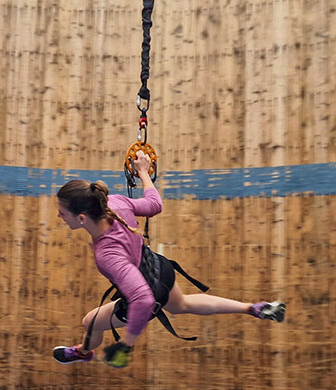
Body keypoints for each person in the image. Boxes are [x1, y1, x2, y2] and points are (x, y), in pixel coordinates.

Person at [53, 150, 286, 368]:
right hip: (159, 269)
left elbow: (143, 299)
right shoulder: (115, 202)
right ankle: (252, 308)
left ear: (82, 218)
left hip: (150, 291)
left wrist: (126, 344)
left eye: (62, 213)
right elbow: (154, 205)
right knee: (181, 304)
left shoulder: (107, 254)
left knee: (89, 322)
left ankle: (84, 352)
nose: (59, 215)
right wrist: (143, 172)